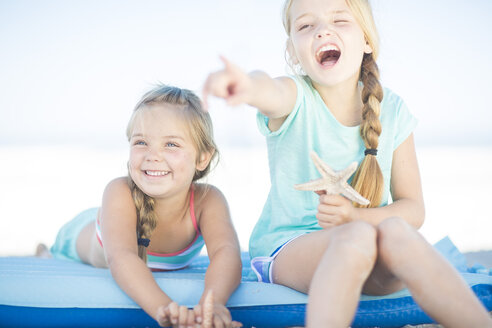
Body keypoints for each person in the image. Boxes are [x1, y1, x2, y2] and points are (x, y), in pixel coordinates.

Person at [202, 0, 492, 327]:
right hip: (291, 250)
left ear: (367, 41)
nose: (323, 29)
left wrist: (354, 215)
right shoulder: (294, 97)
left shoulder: (392, 111)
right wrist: (248, 85)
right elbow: (268, 89)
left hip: (372, 248)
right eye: (305, 26)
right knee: (355, 238)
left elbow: (413, 210)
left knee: (393, 230)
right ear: (293, 52)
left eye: (340, 20)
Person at [39, 85, 242, 328]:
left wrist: (214, 304)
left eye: (171, 145)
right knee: (52, 252)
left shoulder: (207, 201)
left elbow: (226, 253)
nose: (152, 155)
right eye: (141, 142)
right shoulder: (119, 191)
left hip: (115, 219)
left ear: (202, 157)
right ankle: (42, 252)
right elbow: (122, 258)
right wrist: (165, 308)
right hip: (83, 230)